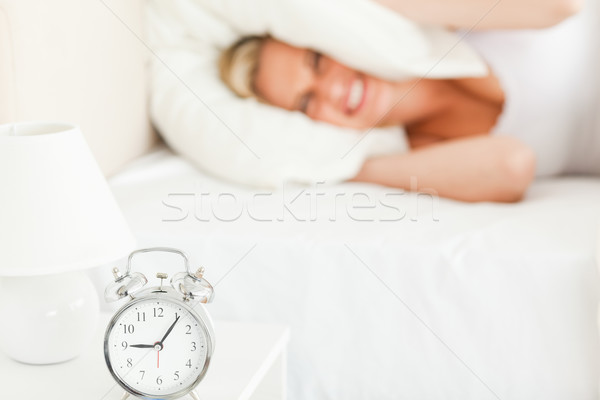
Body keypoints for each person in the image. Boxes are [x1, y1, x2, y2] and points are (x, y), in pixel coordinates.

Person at [219, 0, 598, 202]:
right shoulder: (424, 150)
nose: (332, 91)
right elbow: (513, 167)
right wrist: (340, 165)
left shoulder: (453, 25)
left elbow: (563, 4)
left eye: (317, 61)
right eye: (305, 102)